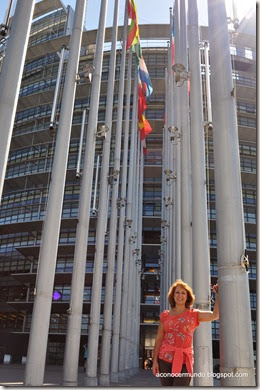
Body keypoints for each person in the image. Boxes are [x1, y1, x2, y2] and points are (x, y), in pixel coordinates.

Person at [152, 279, 219, 386]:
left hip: (184, 361)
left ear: (187, 297)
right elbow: (159, 339)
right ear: (173, 296)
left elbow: (215, 315)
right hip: (164, 360)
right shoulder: (165, 315)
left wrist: (218, 295)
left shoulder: (193, 314)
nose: (180, 295)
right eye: (177, 292)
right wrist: (154, 361)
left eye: (183, 293)